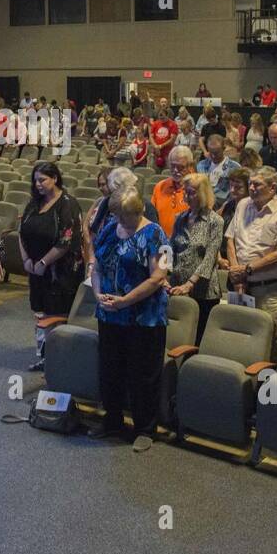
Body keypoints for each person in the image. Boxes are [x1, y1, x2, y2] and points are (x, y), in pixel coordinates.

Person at [90, 188, 169, 452]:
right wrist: (98, 293)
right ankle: (112, 421)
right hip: (110, 314)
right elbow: (98, 265)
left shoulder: (156, 234)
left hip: (143, 317)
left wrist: (125, 301)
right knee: (109, 370)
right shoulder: (110, 228)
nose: (122, 222)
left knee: (142, 375)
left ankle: (145, 429)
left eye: (127, 217)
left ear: (140, 211)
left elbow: (158, 277)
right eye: (119, 216)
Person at [225, 166, 277, 355]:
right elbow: (231, 239)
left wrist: (247, 269)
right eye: (250, 183)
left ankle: (266, 380)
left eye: (257, 184)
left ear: (272, 187)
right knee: (239, 336)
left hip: (267, 289)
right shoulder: (242, 205)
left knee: (269, 339)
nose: (251, 188)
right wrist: (237, 273)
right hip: (239, 285)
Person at [19, 162, 85, 371]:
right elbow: (21, 231)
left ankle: (60, 360)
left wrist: (44, 262)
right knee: (41, 313)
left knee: (57, 314)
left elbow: (66, 241)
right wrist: (27, 260)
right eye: (35, 180)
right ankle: (45, 356)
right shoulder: (34, 203)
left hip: (61, 271)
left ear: (55, 178)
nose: (38, 184)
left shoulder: (68, 204)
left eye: (42, 180)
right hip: (36, 269)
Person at [166, 174, 225, 340]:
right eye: (185, 191)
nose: (186, 196)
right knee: (176, 336)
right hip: (177, 286)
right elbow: (170, 249)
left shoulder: (215, 221)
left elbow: (210, 257)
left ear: (202, 194)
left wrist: (190, 284)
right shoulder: (180, 218)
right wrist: (163, 274)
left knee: (196, 338)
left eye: (191, 192)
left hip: (203, 291)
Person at [151, 146, 193, 236]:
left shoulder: (196, 189)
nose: (175, 170)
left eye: (180, 167)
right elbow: (152, 218)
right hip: (161, 243)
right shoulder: (160, 186)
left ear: (190, 166)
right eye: (173, 166)